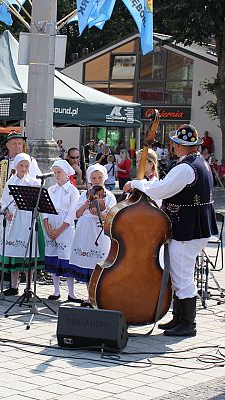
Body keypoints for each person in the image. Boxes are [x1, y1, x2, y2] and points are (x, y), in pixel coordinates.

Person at [124, 124, 218, 336]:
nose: (172, 146)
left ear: (178, 145)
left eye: (174, 143)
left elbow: (162, 189)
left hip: (187, 229)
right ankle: (179, 318)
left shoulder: (186, 168)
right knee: (179, 274)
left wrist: (137, 184)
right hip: (191, 227)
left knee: (182, 276)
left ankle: (187, 323)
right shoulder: (197, 163)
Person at [0, 131, 42, 284]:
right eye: (14, 143)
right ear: (8, 145)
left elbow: (37, 181)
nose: (18, 146)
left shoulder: (30, 161)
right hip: (3, 206)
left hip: (22, 211)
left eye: (20, 143)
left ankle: (18, 274)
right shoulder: (1, 161)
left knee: (18, 240)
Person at [67, 164, 117, 297]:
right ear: (90, 179)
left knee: (99, 263)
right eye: (93, 178)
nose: (97, 180)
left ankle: (100, 296)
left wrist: (100, 213)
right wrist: (85, 206)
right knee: (86, 263)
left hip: (100, 231)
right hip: (85, 230)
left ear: (104, 178)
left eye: (100, 177)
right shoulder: (84, 194)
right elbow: (76, 214)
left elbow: (112, 216)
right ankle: (90, 296)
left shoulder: (109, 196)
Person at [0, 153, 42, 296]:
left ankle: (28, 287)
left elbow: (37, 201)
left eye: (26, 166)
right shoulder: (11, 181)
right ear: (16, 166)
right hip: (14, 220)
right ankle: (13, 285)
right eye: (21, 165)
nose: (24, 168)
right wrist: (7, 212)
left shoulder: (33, 182)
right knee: (14, 251)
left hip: (28, 219)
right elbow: (4, 199)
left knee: (28, 252)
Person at [42, 160, 82, 302]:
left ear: (66, 173)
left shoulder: (72, 191)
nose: (56, 175)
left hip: (65, 228)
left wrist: (59, 230)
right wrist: (47, 228)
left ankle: (71, 293)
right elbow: (44, 210)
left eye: (59, 172)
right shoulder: (50, 190)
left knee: (66, 258)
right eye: (55, 172)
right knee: (54, 257)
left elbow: (71, 214)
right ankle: (56, 290)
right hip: (51, 226)